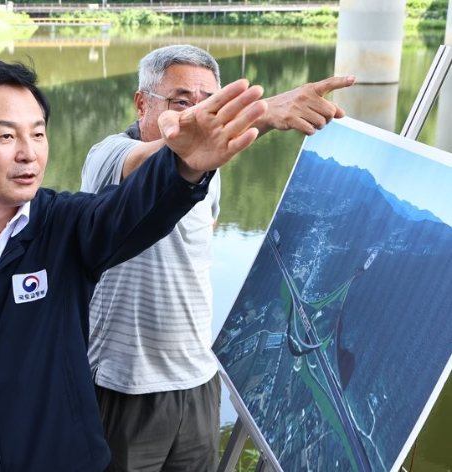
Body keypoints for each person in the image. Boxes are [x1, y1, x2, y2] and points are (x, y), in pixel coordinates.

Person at [0, 58, 268, 472]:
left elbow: (133, 209)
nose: (29, 154)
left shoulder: (67, 226)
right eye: (7, 136)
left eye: (38, 133)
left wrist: (185, 167)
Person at [80, 44, 356, 472]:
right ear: (141, 104)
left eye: (209, 104)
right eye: (180, 103)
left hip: (197, 384)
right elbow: (168, 157)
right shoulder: (109, 156)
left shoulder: (210, 170)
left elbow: (200, 225)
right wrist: (262, 113)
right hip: (125, 386)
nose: (198, 116)